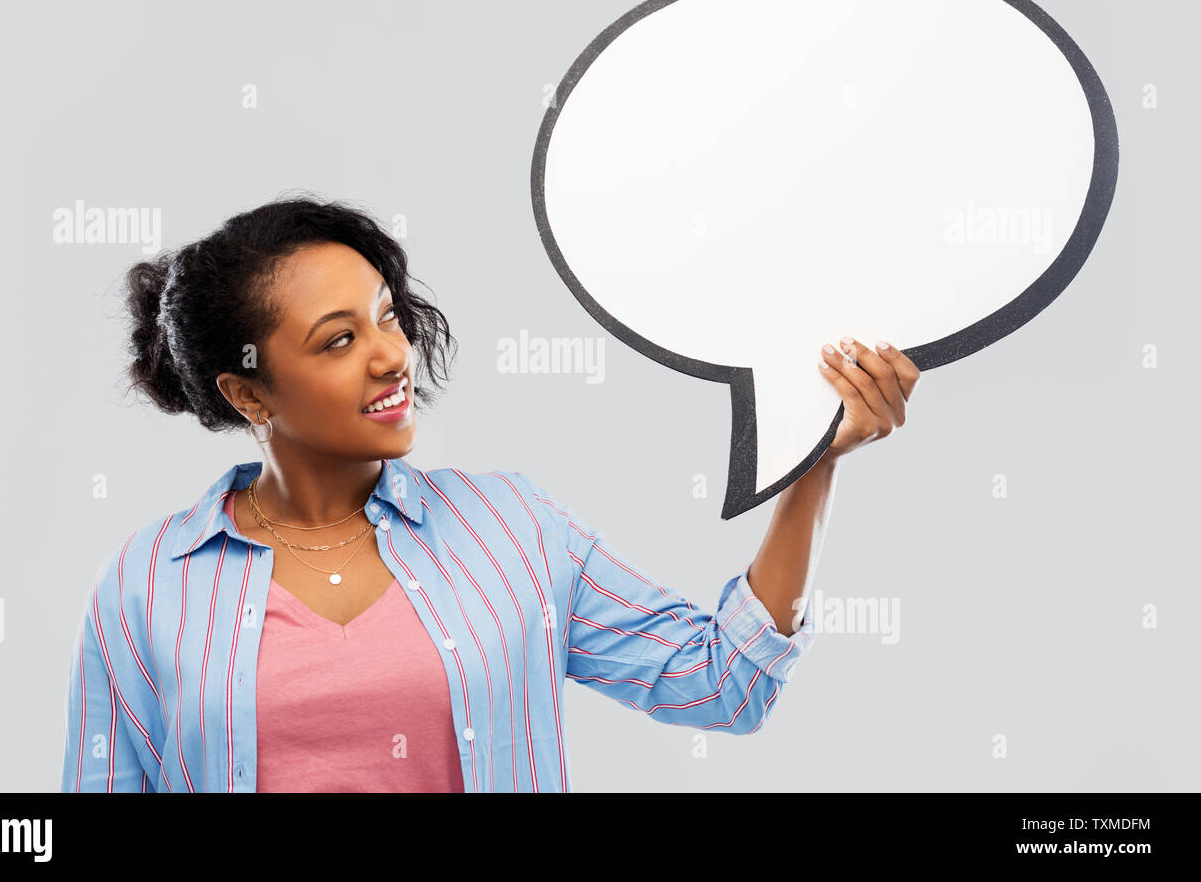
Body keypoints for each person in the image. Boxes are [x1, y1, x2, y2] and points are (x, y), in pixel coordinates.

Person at [60, 194, 920, 793]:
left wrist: (815, 460)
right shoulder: (144, 586)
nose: (392, 355)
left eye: (389, 316)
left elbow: (726, 683)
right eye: (337, 340)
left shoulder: (511, 530)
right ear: (249, 394)